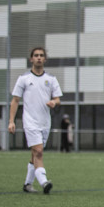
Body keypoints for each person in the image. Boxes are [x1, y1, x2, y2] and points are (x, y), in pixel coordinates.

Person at [8, 47, 63, 194]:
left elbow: (58, 99)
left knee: (35, 153)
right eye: (36, 55)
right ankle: (44, 182)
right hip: (30, 121)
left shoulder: (51, 79)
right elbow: (15, 100)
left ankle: (27, 184)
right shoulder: (24, 79)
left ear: (45, 59)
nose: (38, 58)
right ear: (31, 59)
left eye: (41, 55)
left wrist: (54, 102)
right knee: (38, 151)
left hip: (45, 122)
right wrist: (11, 121)